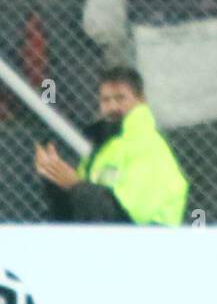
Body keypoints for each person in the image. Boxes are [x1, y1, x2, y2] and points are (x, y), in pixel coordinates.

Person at [34, 66, 189, 225]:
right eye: (106, 100)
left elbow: (125, 220)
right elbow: (81, 213)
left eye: (120, 98)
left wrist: (75, 186)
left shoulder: (148, 147)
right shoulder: (105, 149)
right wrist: (54, 180)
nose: (113, 107)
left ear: (141, 100)